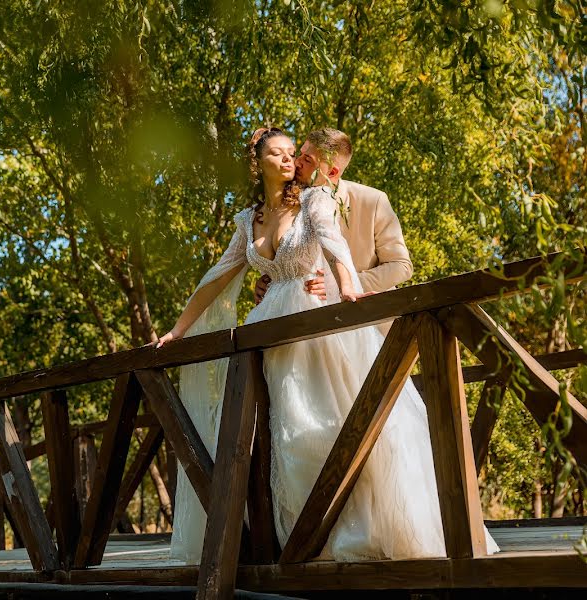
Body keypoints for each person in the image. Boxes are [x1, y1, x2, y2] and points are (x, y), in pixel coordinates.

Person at [156, 127, 497, 563]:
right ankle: (280, 541)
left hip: (318, 323)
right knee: (269, 437)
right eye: (281, 154)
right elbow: (217, 277)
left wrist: (347, 291)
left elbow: (337, 247)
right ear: (258, 163)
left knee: (325, 428)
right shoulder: (248, 221)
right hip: (267, 333)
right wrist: (179, 330)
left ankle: (339, 536)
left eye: (295, 155)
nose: (290, 161)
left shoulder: (321, 200)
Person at [254, 129, 412, 334]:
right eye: (300, 153)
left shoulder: (373, 201)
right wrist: (271, 279)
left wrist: (342, 284)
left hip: (370, 327)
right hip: (307, 326)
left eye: (308, 159)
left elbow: (401, 266)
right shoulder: (290, 201)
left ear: (332, 173)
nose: (297, 162)